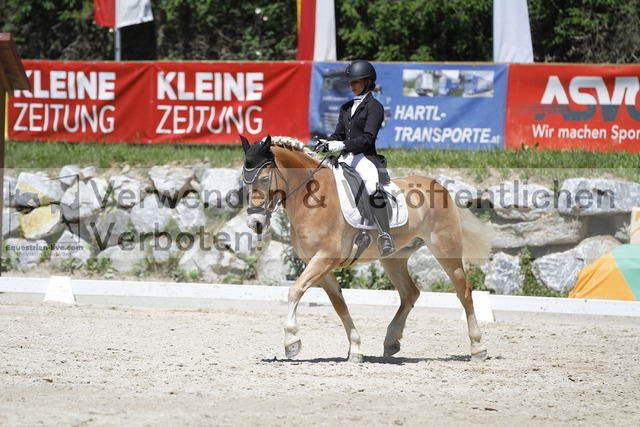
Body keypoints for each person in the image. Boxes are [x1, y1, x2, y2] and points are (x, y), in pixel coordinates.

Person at [315, 59, 394, 256]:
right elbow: (338, 134)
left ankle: (385, 235)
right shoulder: (346, 107)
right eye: (350, 82)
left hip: (363, 157)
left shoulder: (375, 107)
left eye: (356, 82)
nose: (352, 86)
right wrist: (327, 143)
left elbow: (368, 139)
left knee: (371, 187)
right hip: (344, 158)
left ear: (368, 81)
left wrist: (341, 145)